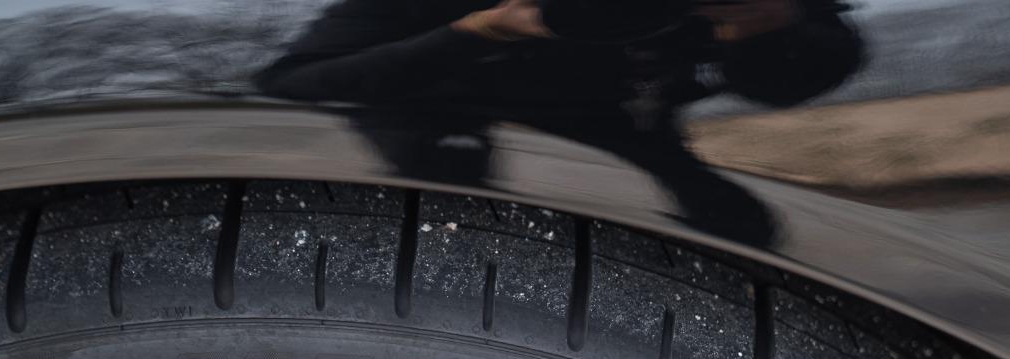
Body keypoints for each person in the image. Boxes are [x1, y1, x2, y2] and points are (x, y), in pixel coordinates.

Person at [257, 0, 863, 246]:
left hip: (622, 132)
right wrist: (479, 31)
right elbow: (292, 85)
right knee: (457, 221)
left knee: (741, 223)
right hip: (441, 127)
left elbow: (783, 87)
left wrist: (757, 26)